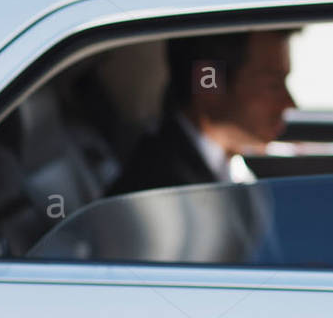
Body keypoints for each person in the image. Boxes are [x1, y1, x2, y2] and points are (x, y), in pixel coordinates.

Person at [107, 29, 297, 195]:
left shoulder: (226, 165)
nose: (289, 103)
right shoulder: (160, 192)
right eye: (272, 85)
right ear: (208, 81)